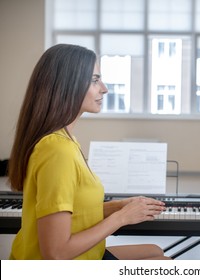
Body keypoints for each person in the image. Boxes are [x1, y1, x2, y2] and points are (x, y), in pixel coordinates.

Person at [7, 44, 170, 260]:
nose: (104, 88)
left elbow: (75, 212)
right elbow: (56, 253)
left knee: (155, 251)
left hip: (81, 256)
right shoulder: (58, 150)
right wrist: (121, 218)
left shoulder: (65, 139)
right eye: (95, 80)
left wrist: (117, 206)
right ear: (68, 85)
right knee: (162, 263)